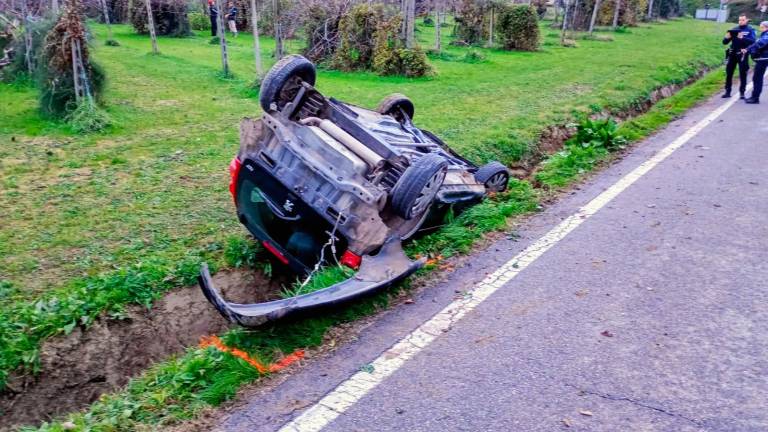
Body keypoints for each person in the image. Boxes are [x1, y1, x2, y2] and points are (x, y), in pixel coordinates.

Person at [722, 15, 756, 99]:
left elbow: (753, 42)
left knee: (743, 73)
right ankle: (727, 91)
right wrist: (726, 37)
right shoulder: (734, 29)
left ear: (746, 20)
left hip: (742, 54)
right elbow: (725, 42)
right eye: (739, 20)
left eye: (743, 20)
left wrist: (742, 38)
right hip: (732, 53)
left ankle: (742, 93)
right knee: (729, 73)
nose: (740, 21)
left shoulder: (750, 29)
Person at [746, 21, 768, 104]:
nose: (760, 28)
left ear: (766, 27)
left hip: (763, 59)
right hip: (762, 58)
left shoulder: (766, 35)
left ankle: (755, 98)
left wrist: (749, 49)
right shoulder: (764, 34)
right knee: (756, 78)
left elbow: (759, 43)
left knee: (757, 78)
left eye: (762, 27)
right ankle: (754, 97)